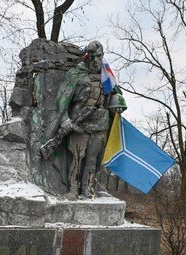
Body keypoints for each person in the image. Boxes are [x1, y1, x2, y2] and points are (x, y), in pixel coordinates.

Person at [40, 41, 126, 199]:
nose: (96, 59)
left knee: (93, 158)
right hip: (79, 121)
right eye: (93, 56)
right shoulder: (76, 73)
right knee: (77, 157)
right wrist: (65, 119)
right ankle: (73, 188)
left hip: (100, 122)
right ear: (87, 56)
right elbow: (62, 98)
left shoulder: (106, 75)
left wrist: (118, 103)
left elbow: (115, 94)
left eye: (99, 56)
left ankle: (88, 188)